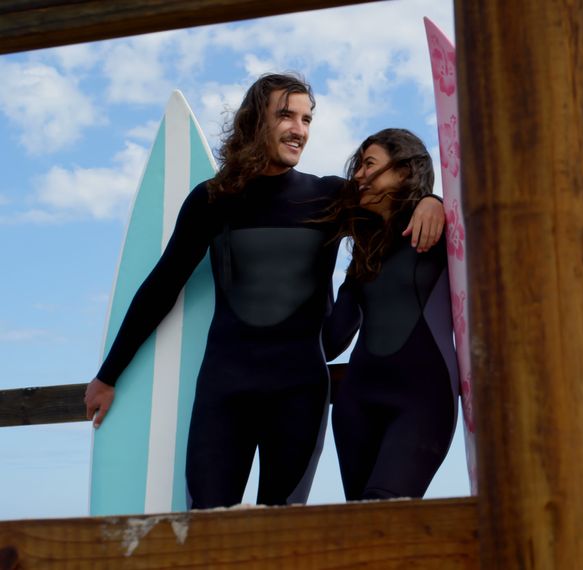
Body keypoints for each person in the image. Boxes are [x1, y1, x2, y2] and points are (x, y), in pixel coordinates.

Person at [82, 74, 445, 509]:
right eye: (287, 115)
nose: (300, 129)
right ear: (255, 120)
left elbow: (393, 201)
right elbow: (163, 285)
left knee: (282, 538)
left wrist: (432, 201)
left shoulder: (329, 196)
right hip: (225, 391)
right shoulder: (212, 199)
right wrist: (108, 374)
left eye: (307, 118)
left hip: (299, 394)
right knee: (207, 529)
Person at [322, 128, 458, 501]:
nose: (358, 176)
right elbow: (332, 341)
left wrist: (434, 200)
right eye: (359, 166)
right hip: (356, 408)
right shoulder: (364, 254)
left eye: (370, 164)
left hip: (422, 403)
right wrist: (312, 266)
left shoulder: (442, 229)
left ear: (405, 171)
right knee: (365, 535)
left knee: (385, 510)